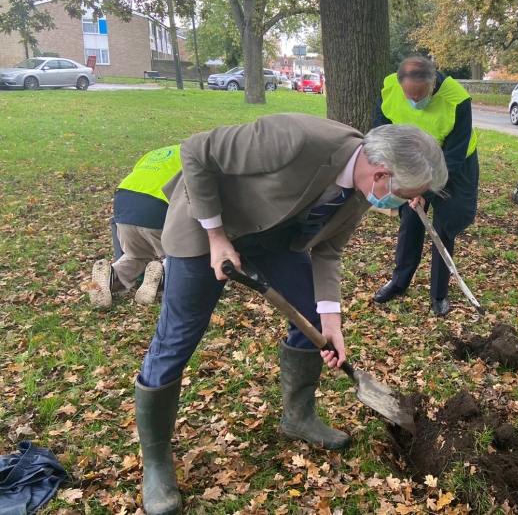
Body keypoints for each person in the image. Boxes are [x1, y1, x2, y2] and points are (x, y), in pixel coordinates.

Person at [134, 113, 447, 515]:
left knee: (313, 315)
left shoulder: (361, 190)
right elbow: (196, 151)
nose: (404, 203)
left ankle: (298, 417)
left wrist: (331, 324)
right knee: (178, 337)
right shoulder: (297, 138)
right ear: (382, 174)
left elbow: (328, 251)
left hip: (277, 239)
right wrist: (216, 237)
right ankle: (156, 461)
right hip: (206, 226)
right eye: (405, 195)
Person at [371, 55, 479, 317]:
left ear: (433, 83)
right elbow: (381, 135)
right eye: (411, 97)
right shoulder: (389, 90)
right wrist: (396, 178)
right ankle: (399, 281)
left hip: (453, 164)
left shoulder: (457, 100)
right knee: (410, 222)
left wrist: (424, 191)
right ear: (400, 84)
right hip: (413, 160)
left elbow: (451, 158)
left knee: (443, 228)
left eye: (422, 96)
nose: (416, 102)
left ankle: (439, 293)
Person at [88, 145, 181, 310]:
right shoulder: (198, 155)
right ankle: (163, 270)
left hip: (124, 204)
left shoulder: (154, 153)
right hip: (158, 205)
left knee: (136, 255)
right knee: (180, 253)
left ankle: (112, 275)